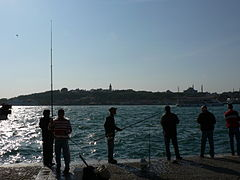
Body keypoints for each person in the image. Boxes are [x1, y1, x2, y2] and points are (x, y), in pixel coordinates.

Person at [51, 109, 72, 175]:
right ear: (58, 114)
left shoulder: (67, 121)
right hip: (57, 139)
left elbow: (70, 130)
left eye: (62, 113)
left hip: (64, 140)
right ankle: (58, 166)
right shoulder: (54, 121)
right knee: (58, 154)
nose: (61, 115)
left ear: (63, 114)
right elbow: (50, 128)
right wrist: (50, 123)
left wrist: (67, 132)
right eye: (60, 113)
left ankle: (67, 166)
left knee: (66, 154)